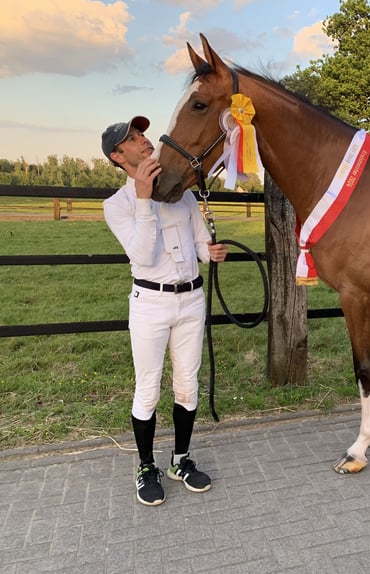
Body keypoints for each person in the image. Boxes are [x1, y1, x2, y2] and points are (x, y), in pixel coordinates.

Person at [101, 116, 228, 506]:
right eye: (133, 139)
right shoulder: (117, 205)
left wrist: (212, 252)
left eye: (141, 134)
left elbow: (201, 248)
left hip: (191, 300)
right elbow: (142, 254)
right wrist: (142, 198)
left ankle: (181, 459)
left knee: (187, 384)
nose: (144, 141)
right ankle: (144, 466)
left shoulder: (183, 195)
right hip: (151, 305)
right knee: (148, 388)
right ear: (118, 156)